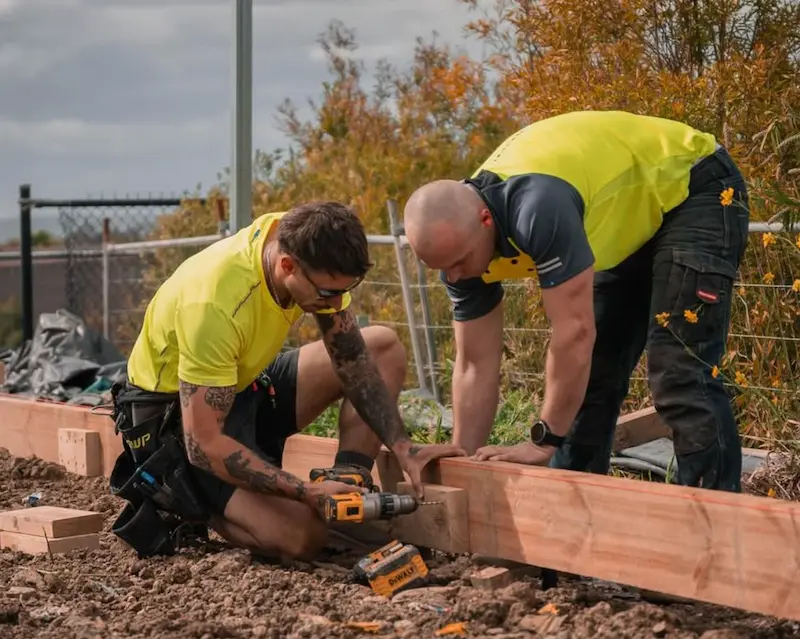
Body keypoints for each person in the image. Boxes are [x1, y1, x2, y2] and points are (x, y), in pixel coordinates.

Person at [402, 110, 749, 493]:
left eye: (458, 263)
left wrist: (542, 441)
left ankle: (716, 527)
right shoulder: (459, 249)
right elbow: (474, 364)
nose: (454, 277)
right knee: (591, 378)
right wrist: (463, 463)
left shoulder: (536, 208)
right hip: (628, 222)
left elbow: (574, 331)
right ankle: (574, 522)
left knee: (679, 372)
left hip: (694, 186)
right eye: (441, 269)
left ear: (486, 220)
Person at [108, 201, 465, 560]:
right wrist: (304, 492)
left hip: (241, 384)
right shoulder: (213, 305)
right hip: (180, 423)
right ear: (287, 266)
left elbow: (352, 359)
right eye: (328, 293)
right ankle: (196, 505)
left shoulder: (297, 238)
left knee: (381, 347)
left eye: (346, 289)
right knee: (301, 537)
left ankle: (346, 479)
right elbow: (203, 444)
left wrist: (402, 445)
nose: (338, 302)